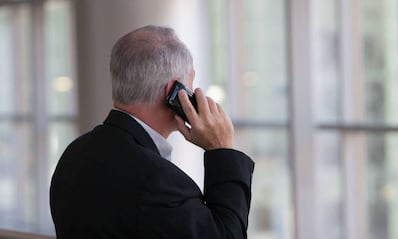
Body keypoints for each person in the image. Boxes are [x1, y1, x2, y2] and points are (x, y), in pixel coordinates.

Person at [50, 25, 254, 239]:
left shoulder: (74, 153)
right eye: (190, 83)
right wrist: (221, 151)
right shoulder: (157, 181)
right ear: (174, 93)